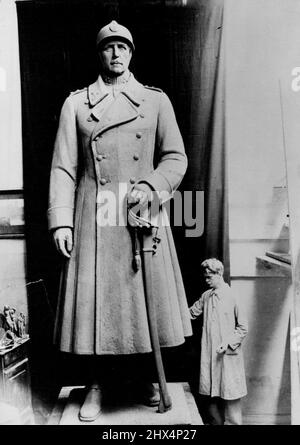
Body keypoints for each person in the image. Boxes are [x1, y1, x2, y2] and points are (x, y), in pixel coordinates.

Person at [48, 20, 192, 422]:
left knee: (144, 302)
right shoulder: (76, 104)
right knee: (96, 307)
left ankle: (149, 375)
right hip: (93, 214)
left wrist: (152, 185)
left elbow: (176, 158)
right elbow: (63, 168)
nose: (116, 54)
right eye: (109, 47)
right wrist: (61, 221)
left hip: (141, 213)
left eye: (122, 47)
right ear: (100, 54)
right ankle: (94, 384)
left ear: (131, 53)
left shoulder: (154, 101)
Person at [189, 258, 248, 425]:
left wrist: (228, 343)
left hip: (228, 355)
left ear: (219, 274)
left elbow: (243, 327)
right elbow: (191, 313)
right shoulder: (206, 296)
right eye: (205, 277)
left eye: (209, 277)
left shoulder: (233, 295)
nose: (206, 280)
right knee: (211, 396)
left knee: (231, 398)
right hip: (210, 355)